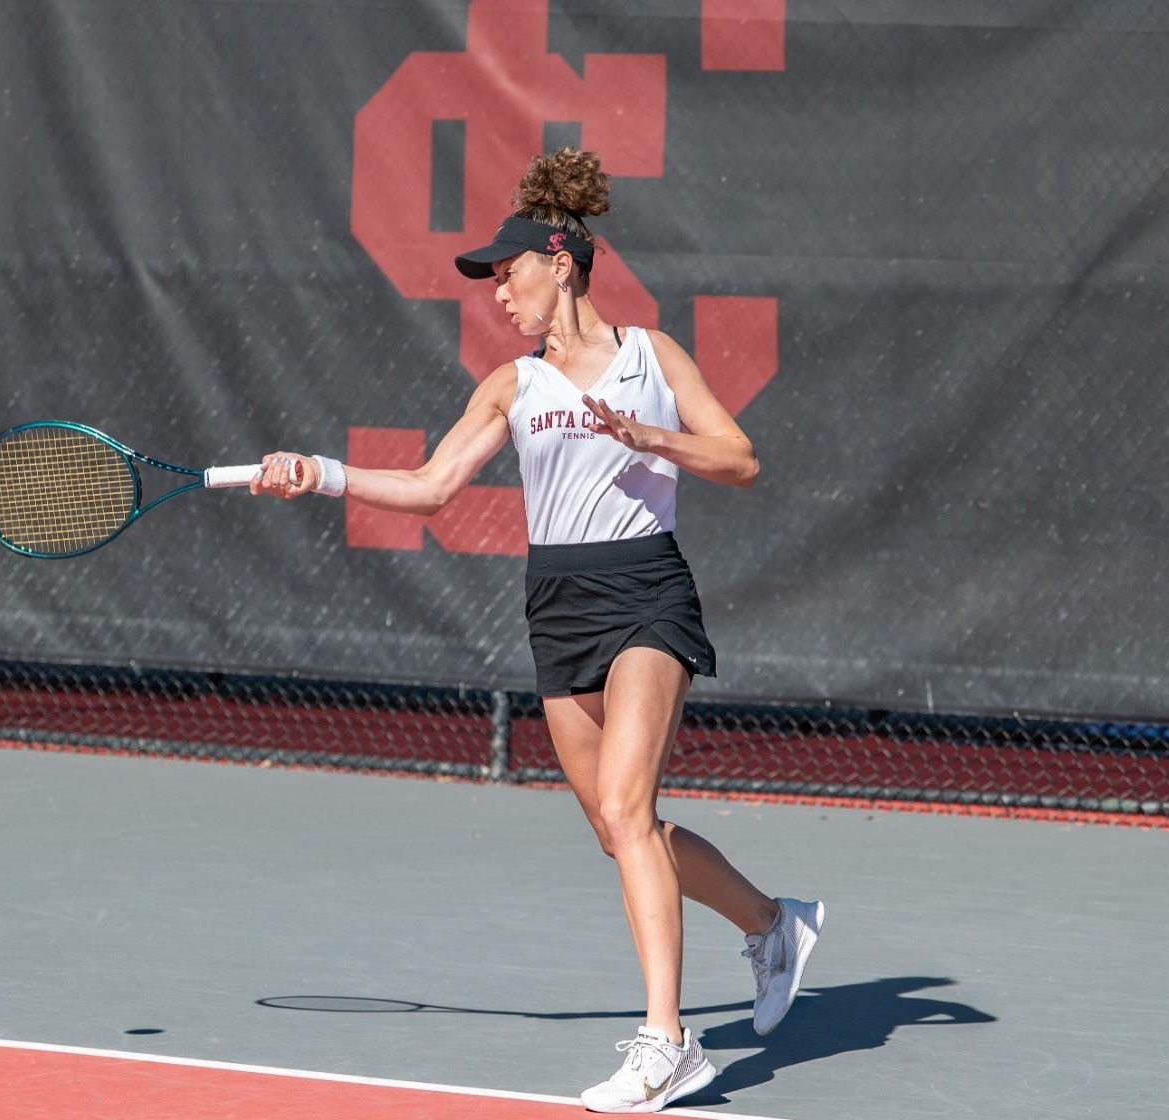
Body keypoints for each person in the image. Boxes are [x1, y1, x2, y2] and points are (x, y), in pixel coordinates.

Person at [250, 148, 821, 1114]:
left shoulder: (651, 356)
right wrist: (322, 470)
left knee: (632, 806)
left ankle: (667, 1044)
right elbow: (432, 489)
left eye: (505, 273)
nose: (497, 294)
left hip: (646, 593)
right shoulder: (512, 384)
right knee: (614, 829)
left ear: (560, 262)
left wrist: (651, 437)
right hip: (557, 605)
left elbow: (741, 459)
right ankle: (773, 926)